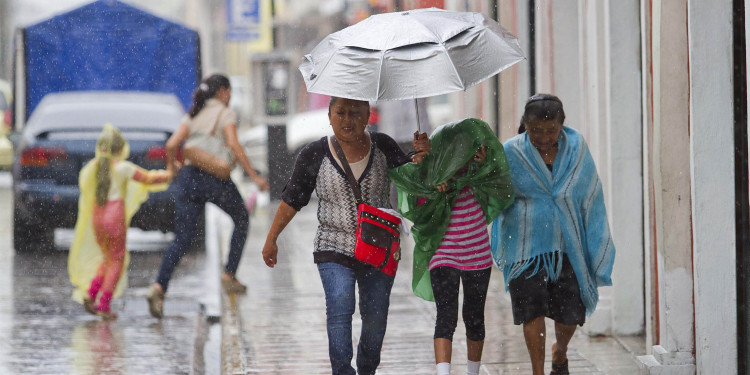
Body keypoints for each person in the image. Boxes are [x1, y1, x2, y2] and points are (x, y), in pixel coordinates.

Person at [261, 97, 430, 375]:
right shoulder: (314, 153)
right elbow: (293, 199)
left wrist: (421, 158)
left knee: (375, 319)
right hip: (333, 247)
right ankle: (342, 371)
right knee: (340, 307)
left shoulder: (384, 145)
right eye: (340, 112)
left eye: (355, 113)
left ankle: (367, 370)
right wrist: (271, 239)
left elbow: (412, 179)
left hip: (378, 248)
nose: (347, 119)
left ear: (368, 117)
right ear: (329, 115)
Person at [490, 94, 616, 375]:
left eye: (551, 131)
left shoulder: (577, 149)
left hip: (568, 244)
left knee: (569, 315)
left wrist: (594, 241)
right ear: (525, 125)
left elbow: (591, 193)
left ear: (562, 125)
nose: (544, 137)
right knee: (531, 312)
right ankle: (538, 371)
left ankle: (560, 351)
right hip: (525, 247)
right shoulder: (511, 152)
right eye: (536, 131)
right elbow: (496, 195)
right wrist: (485, 167)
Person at [388, 118, 514, 375]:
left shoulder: (480, 177)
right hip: (443, 255)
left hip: (477, 256)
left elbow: (499, 176)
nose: (460, 159)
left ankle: (472, 371)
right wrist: (424, 168)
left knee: (474, 318)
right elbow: (416, 203)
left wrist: (483, 159)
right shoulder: (432, 176)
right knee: (446, 316)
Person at [147, 74, 269, 319]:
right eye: (229, 91)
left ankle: (159, 287)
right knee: (242, 219)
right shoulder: (225, 112)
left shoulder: (193, 114)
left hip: (189, 177)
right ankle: (229, 274)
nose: (230, 96)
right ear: (222, 91)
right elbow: (234, 145)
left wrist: (173, 169)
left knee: (181, 239)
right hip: (214, 180)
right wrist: (254, 175)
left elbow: (172, 144)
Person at [68, 124, 172, 320]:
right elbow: (148, 178)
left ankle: (91, 294)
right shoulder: (124, 168)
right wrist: (171, 174)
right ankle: (104, 304)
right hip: (115, 217)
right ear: (119, 149)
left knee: (106, 259)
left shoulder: (95, 167)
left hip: (97, 217)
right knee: (117, 261)